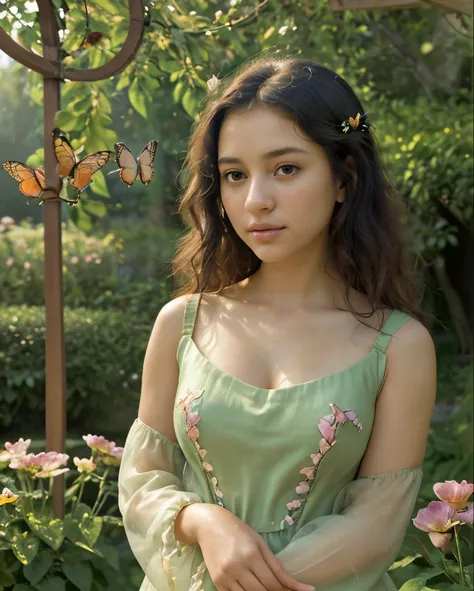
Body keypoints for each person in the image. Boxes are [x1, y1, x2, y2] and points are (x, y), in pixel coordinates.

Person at [118, 56, 437, 591]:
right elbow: (145, 479)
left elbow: (376, 522)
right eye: (234, 175)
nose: (255, 201)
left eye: (286, 168)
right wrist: (201, 521)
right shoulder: (182, 324)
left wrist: (246, 582)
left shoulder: (399, 345)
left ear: (344, 178)